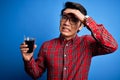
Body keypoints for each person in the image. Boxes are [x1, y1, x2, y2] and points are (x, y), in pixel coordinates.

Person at [20, 1, 118, 80]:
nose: (66, 23)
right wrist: (28, 60)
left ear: (80, 26)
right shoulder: (47, 46)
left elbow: (112, 46)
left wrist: (85, 19)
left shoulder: (87, 42)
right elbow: (36, 74)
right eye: (64, 17)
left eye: (74, 19)